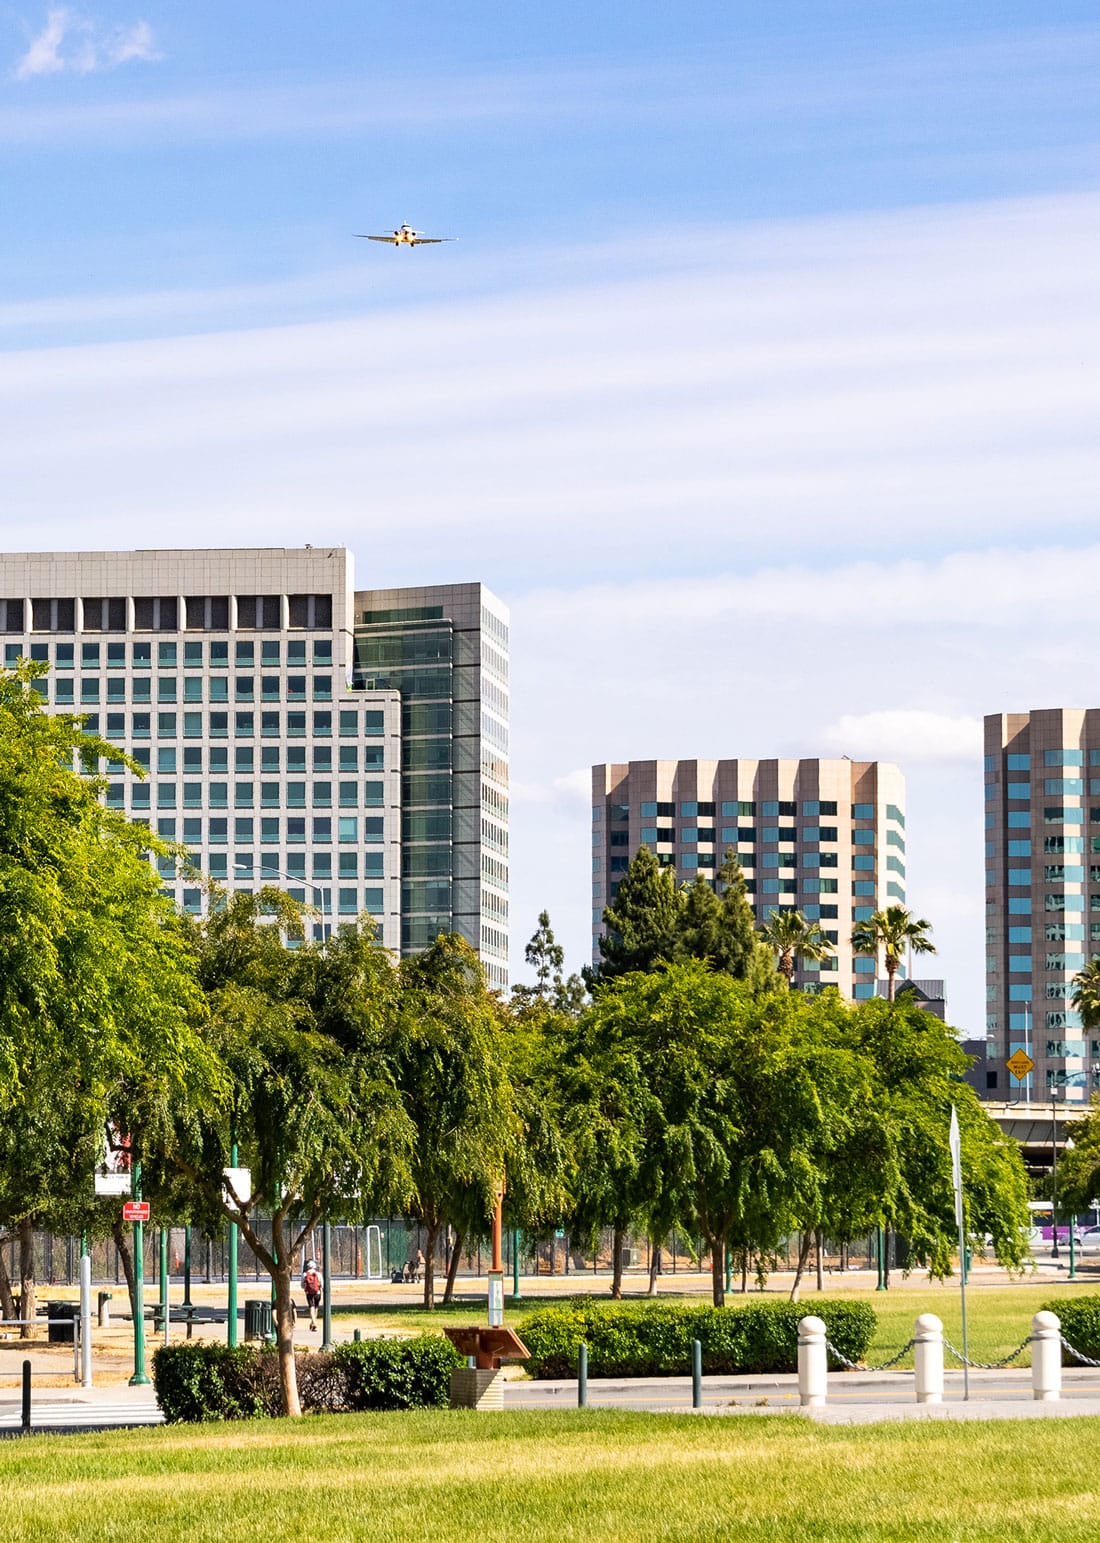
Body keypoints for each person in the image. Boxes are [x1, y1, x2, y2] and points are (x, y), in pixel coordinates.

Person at [302, 1258, 323, 1332]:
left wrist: (306, 1288)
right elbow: (322, 1284)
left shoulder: (305, 1274)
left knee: (311, 1307)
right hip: (318, 1292)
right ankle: (313, 1323)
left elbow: (302, 1285)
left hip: (309, 1293)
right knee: (316, 1307)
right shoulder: (318, 1274)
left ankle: (314, 1323)